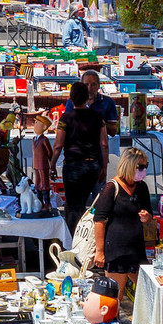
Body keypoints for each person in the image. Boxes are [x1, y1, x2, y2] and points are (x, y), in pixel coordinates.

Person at [90, 148, 156, 317]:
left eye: (145, 166)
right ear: (129, 166)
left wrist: (147, 216)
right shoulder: (112, 187)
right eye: (140, 167)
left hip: (136, 250)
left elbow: (149, 213)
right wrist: (100, 251)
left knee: (147, 294)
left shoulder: (141, 187)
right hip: (116, 250)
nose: (143, 171)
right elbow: (99, 220)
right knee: (115, 297)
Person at [54, 80, 109, 233]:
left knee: (73, 206)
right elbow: (104, 144)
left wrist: (52, 165)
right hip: (92, 165)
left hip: (73, 166)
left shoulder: (66, 118)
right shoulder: (97, 117)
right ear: (87, 97)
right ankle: (86, 235)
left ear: (71, 99)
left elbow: (58, 145)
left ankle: (72, 238)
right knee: (85, 203)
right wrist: (104, 167)